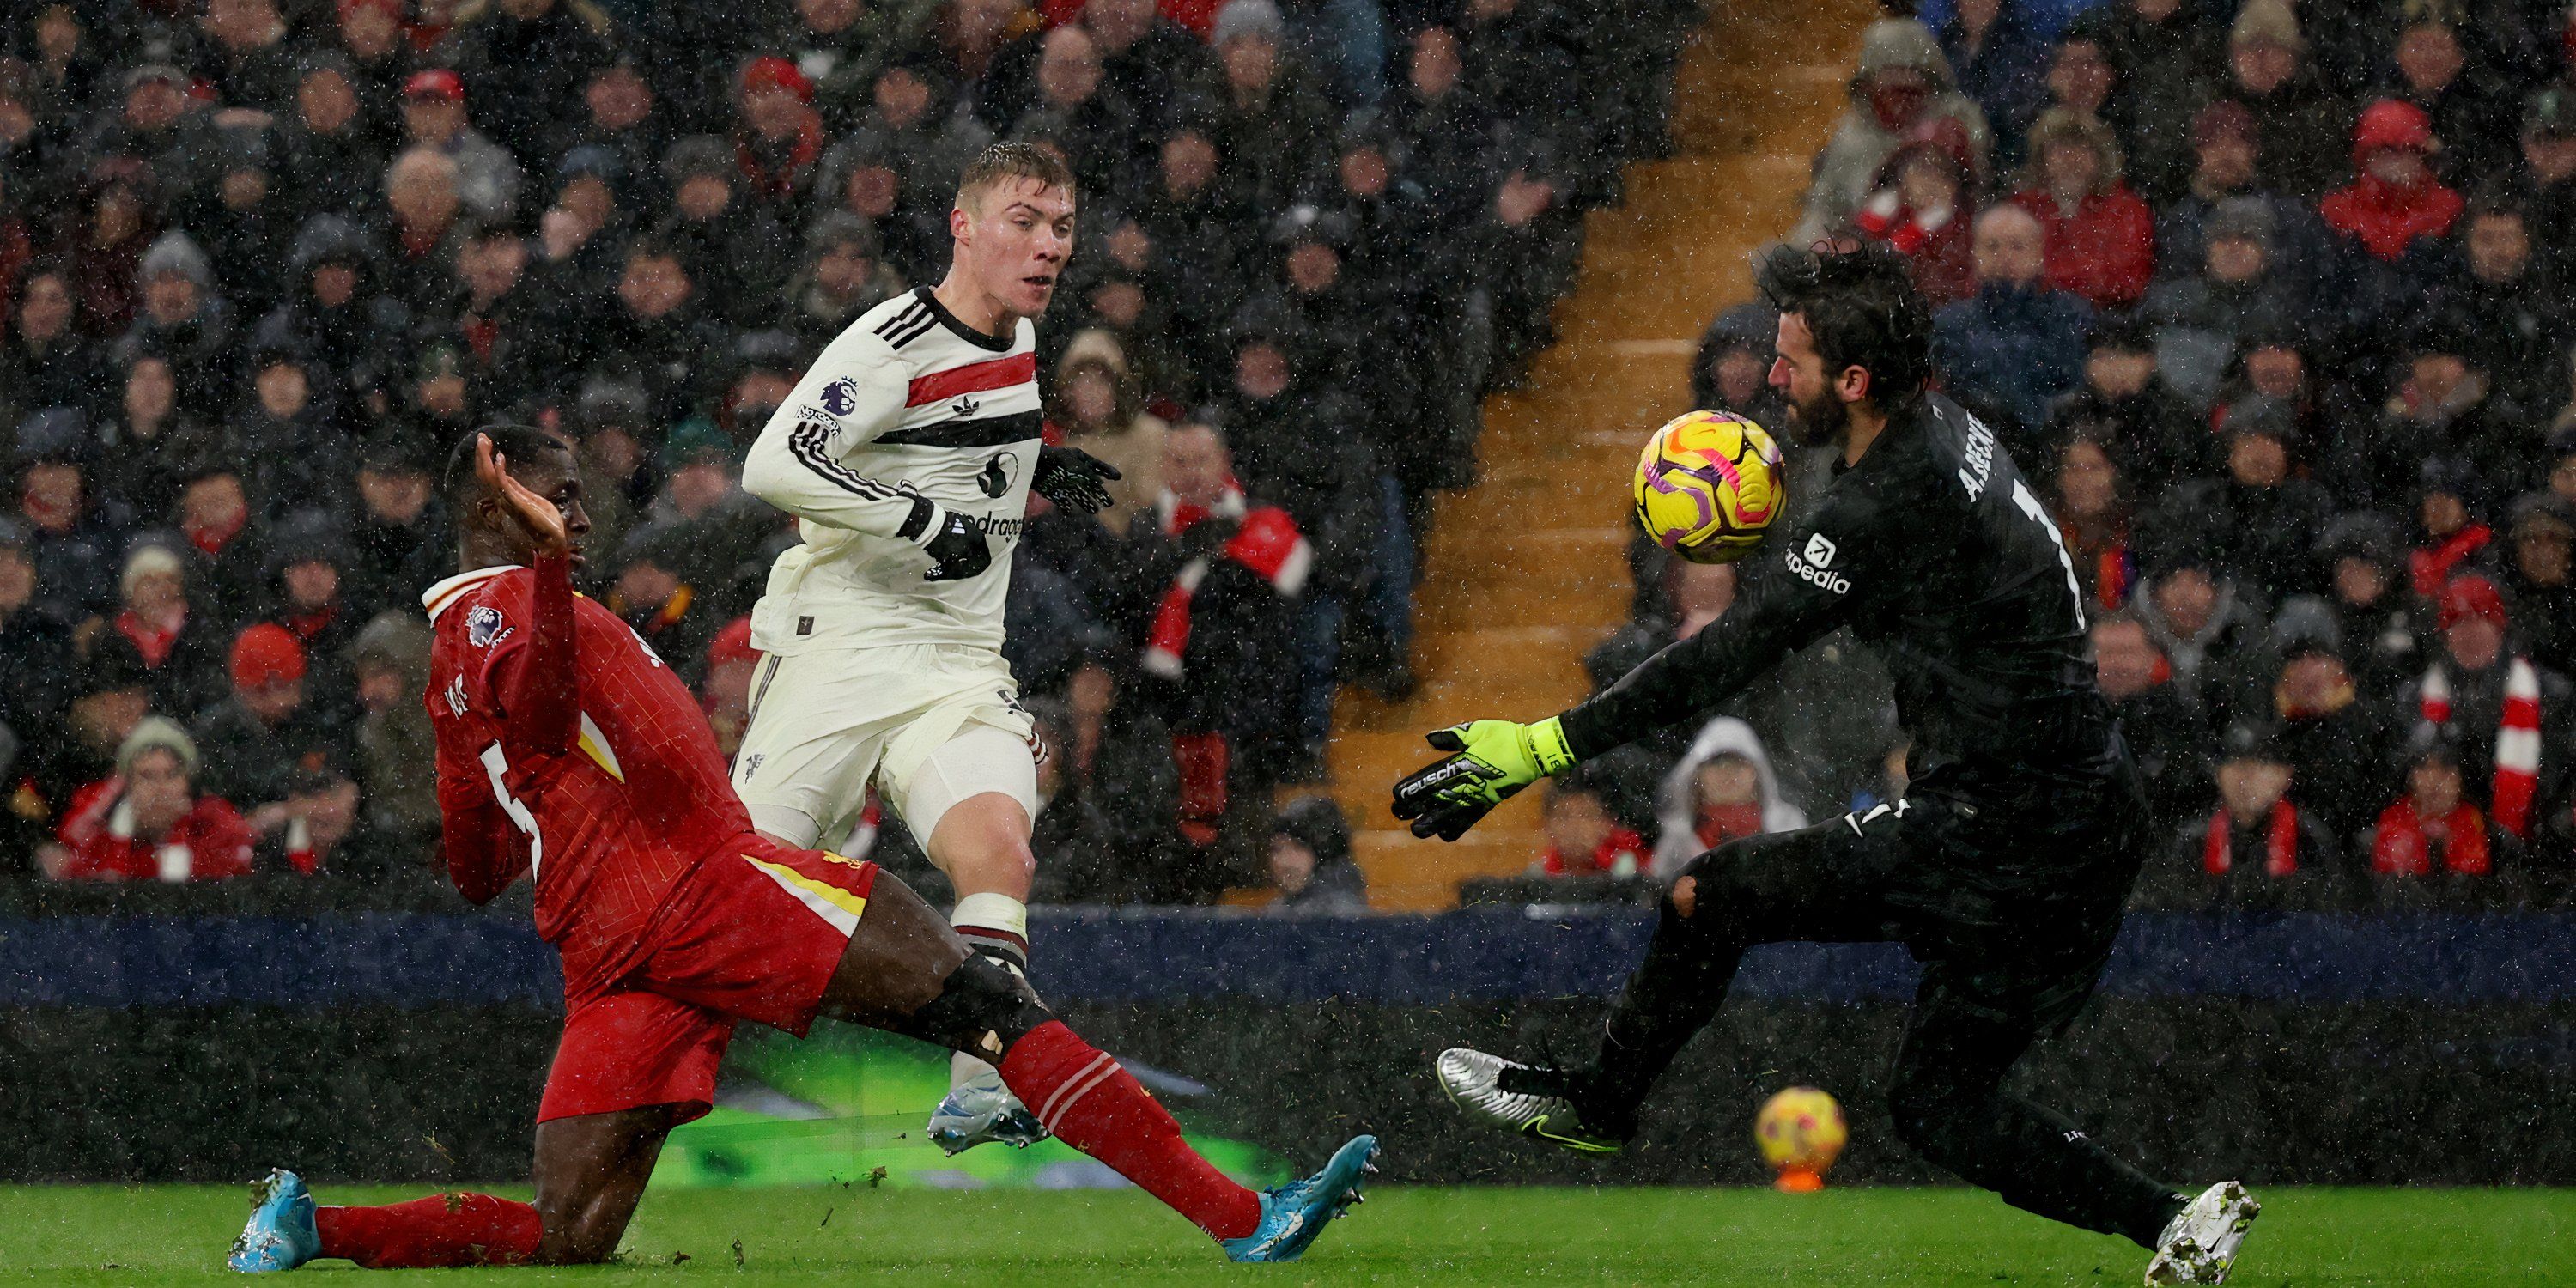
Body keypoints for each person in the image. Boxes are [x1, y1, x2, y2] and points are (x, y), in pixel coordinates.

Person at [223, 428, 1371, 1273]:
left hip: (605, 948)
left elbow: (474, 868)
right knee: (985, 1008)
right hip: (704, 890)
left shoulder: (441, 667)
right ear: (499, 502)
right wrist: (557, 581)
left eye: (576, 505)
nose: (579, 519)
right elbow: (538, 704)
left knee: (569, 1235)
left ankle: (309, 1227)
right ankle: (1242, 1218)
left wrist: (568, 812)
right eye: (559, 500)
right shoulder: (523, 607)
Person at [1399, 242, 2255, 1284]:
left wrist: (1541, 745)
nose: (1770, 378)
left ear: (1852, 383)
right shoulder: (1943, 428)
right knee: (1939, 1106)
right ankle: (2176, 1222)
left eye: (1790, 361)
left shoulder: (1889, 497)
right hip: (2079, 817)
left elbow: (1734, 650)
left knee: (1712, 894)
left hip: (2005, 821)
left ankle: (1599, 1105)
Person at [732, 143, 1121, 1154]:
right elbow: (775, 462)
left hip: (955, 662)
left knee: (999, 850)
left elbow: (979, 445)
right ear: (963, 224)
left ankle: (980, 1082)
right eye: (1024, 221)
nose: (1047, 246)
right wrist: (915, 521)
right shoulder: (892, 340)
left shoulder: (1025, 335)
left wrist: (1053, 475)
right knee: (736, 913)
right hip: (838, 649)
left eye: (1063, 226)